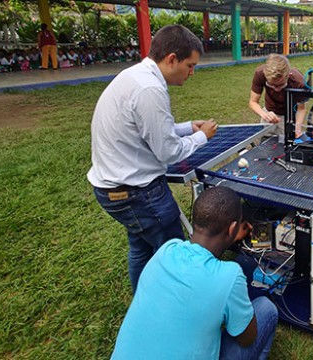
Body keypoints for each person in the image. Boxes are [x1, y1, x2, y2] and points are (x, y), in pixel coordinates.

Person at [87, 25, 218, 293]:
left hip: (113, 188)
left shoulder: (136, 76)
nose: (193, 72)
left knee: (140, 245)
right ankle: (175, 307)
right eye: (190, 65)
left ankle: (143, 299)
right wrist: (202, 136)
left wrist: (186, 127)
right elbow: (168, 152)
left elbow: (147, 130)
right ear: (172, 59)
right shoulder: (150, 89)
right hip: (136, 193)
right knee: (173, 253)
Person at [111, 186, 278, 360]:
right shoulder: (230, 276)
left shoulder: (166, 250)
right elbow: (247, 338)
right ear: (232, 228)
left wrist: (228, 236)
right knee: (266, 309)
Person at [249, 54, 307, 141]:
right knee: (265, 143)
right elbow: (253, 102)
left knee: (286, 146)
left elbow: (301, 109)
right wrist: (264, 114)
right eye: (271, 85)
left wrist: (297, 127)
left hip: (288, 116)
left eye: (280, 85)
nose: (276, 90)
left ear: (288, 75)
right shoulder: (260, 74)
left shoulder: (298, 82)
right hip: (268, 112)